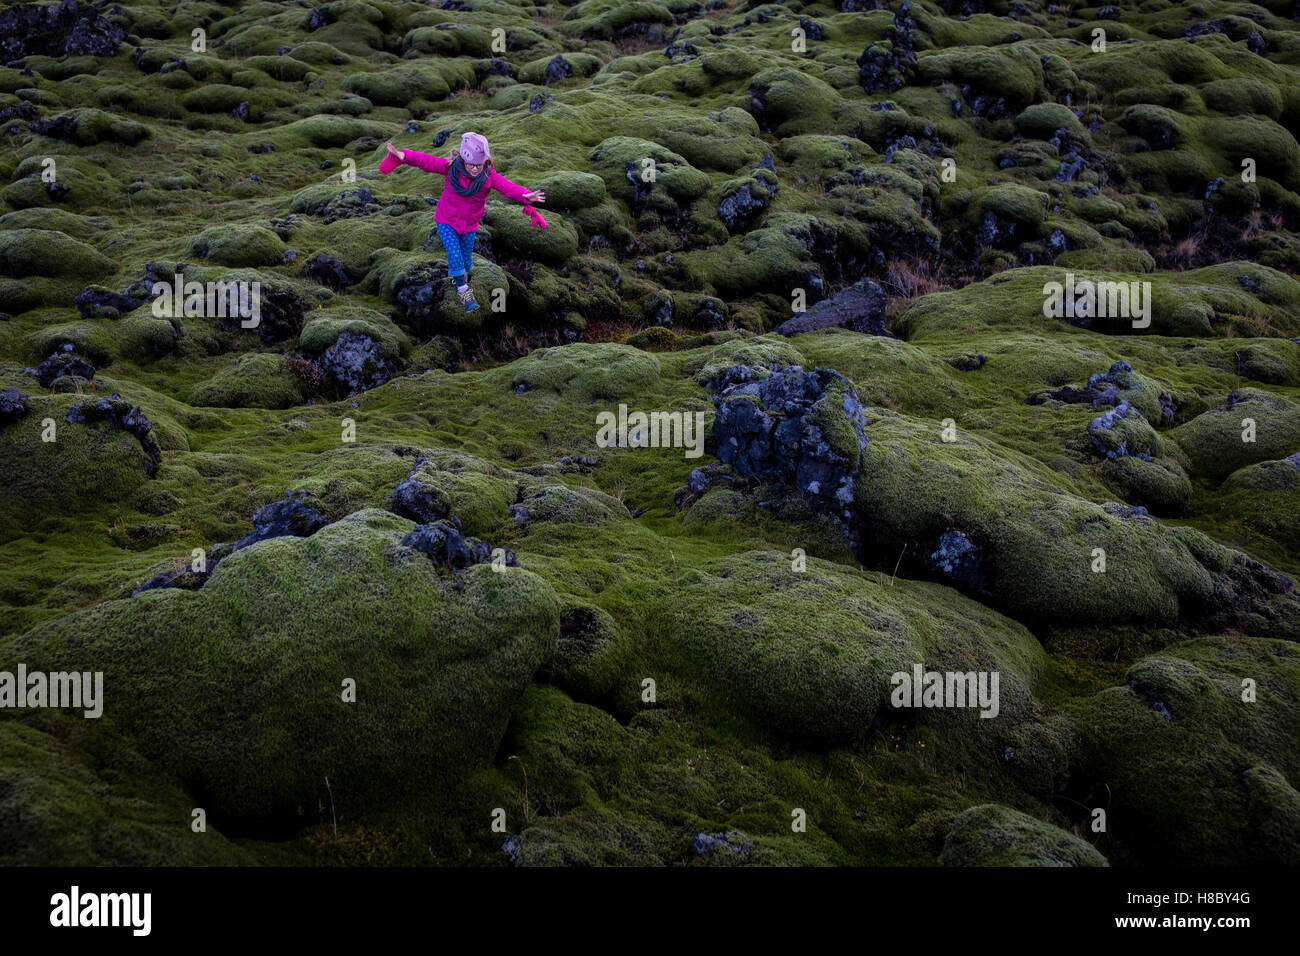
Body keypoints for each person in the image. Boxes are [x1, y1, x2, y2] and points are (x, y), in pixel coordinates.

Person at [379, 132, 546, 312]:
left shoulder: (489, 177)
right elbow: (426, 161)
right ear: (463, 159)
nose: (474, 169)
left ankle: (460, 278)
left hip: (469, 225)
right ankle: (463, 292)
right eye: (470, 165)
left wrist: (524, 195)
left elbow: (507, 187)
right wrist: (404, 156)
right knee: (455, 255)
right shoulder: (451, 167)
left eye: (479, 165)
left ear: (486, 162)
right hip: (446, 220)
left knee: (466, 262)